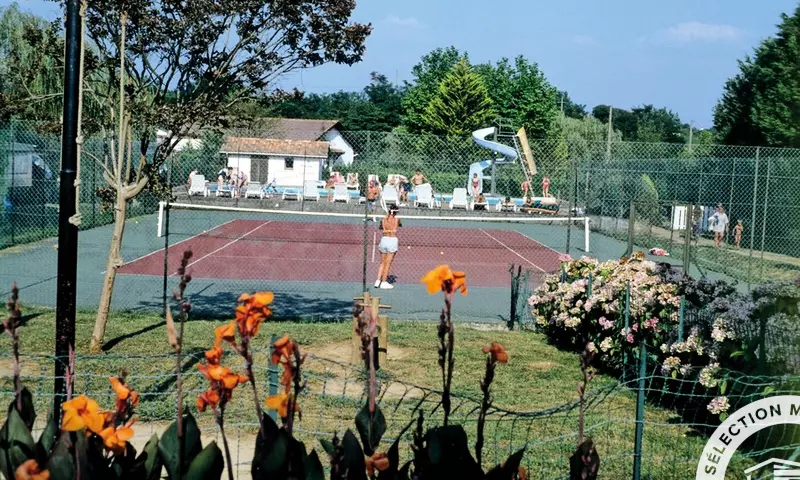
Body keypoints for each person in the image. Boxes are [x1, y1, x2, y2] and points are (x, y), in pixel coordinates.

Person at [375, 204, 402, 289]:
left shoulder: (383, 220)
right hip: (392, 241)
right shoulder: (397, 220)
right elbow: (400, 225)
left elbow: (380, 228)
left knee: (382, 262)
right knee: (388, 263)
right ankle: (383, 282)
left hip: (384, 240)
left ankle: (377, 281)